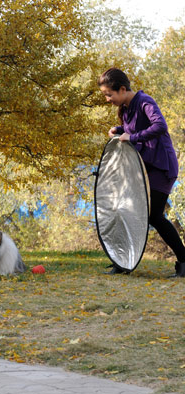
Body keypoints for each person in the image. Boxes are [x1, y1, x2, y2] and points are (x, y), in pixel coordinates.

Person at [98, 67, 185, 277]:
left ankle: (184, 261)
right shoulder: (127, 108)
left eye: (109, 94)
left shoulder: (145, 101)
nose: (108, 99)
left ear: (121, 89)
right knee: (126, 209)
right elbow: (134, 130)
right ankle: (122, 260)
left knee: (154, 216)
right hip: (143, 168)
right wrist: (119, 130)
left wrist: (132, 137)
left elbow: (160, 126)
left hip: (162, 167)